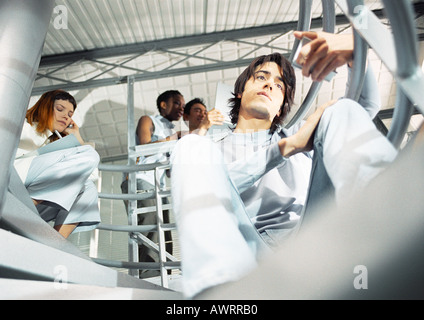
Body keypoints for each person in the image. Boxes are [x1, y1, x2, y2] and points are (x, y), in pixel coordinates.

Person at [170, 31, 398, 298]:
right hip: (246, 256)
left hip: (310, 243)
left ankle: (395, 221)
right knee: (189, 145)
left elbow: (365, 105)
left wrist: (356, 57)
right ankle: (217, 290)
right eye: (261, 78)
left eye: (279, 85)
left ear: (280, 107)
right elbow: (211, 186)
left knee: (340, 110)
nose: (269, 85)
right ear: (241, 92)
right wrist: (284, 149)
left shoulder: (302, 133)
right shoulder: (214, 149)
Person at [14, 89, 100, 239]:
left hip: (31, 200)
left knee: (89, 188)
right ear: (45, 106)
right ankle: (23, 205)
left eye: (70, 115)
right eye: (60, 109)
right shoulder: (22, 124)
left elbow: (91, 175)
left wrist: (77, 138)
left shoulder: (58, 144)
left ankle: (55, 242)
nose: (66, 116)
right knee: (89, 154)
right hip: (13, 184)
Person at [120, 89, 185, 278]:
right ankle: (150, 278)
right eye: (177, 103)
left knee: (164, 235)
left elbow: (169, 172)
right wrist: (175, 139)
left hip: (159, 186)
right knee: (150, 229)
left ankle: (166, 277)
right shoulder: (148, 120)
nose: (181, 107)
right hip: (141, 180)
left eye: (182, 104)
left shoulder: (170, 130)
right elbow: (143, 148)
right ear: (163, 104)